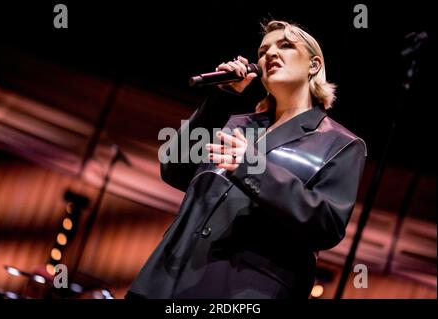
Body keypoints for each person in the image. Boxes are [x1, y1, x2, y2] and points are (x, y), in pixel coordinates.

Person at [126, 20, 367, 299]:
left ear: (313, 65)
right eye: (263, 51)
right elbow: (175, 168)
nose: (270, 55)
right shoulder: (235, 124)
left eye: (285, 46)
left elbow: (326, 226)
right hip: (164, 283)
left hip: (243, 291)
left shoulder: (340, 144)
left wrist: (252, 167)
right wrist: (222, 97)